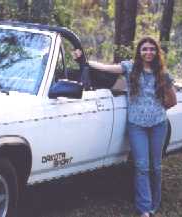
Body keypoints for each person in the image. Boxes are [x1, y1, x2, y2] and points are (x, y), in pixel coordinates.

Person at [73, 36, 175, 217]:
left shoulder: (163, 74)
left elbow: (172, 100)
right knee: (142, 166)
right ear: (139, 52)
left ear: (156, 52)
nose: (148, 52)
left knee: (156, 166)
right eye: (145, 49)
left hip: (158, 125)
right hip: (136, 126)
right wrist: (83, 61)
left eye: (152, 49)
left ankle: (155, 204)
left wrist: (155, 110)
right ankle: (145, 208)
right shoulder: (130, 68)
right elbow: (106, 68)